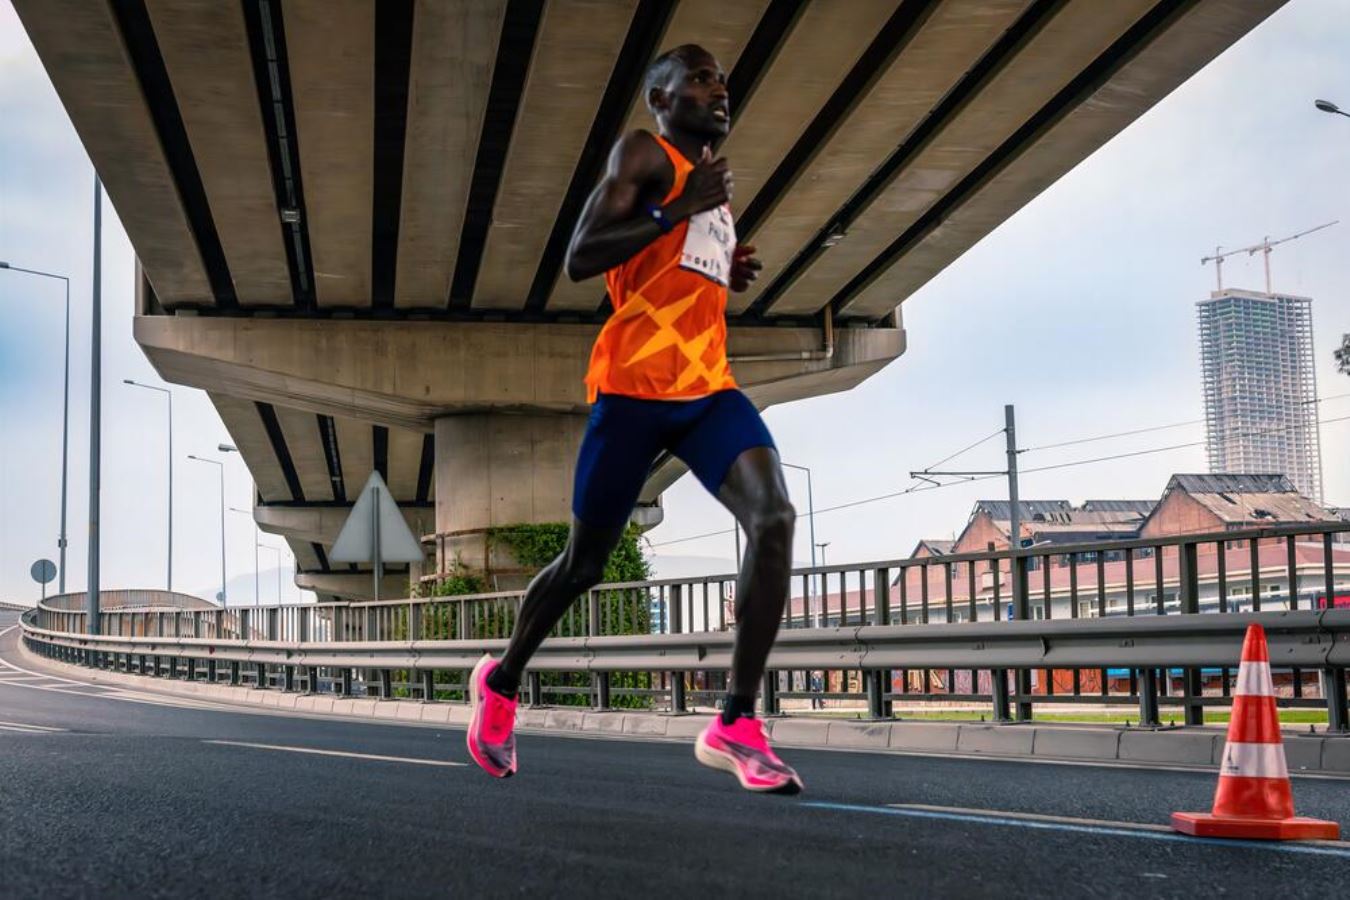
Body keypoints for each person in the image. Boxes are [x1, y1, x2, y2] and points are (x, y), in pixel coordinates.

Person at [465, 44, 802, 795]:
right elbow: (582, 258)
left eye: (724, 82)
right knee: (584, 564)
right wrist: (679, 208)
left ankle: (736, 721)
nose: (721, 91)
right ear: (660, 97)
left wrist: (722, 263)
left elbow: (668, 261)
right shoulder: (645, 154)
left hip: (707, 387)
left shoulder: (712, 188)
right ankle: (502, 680)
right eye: (703, 79)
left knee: (773, 516)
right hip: (632, 390)